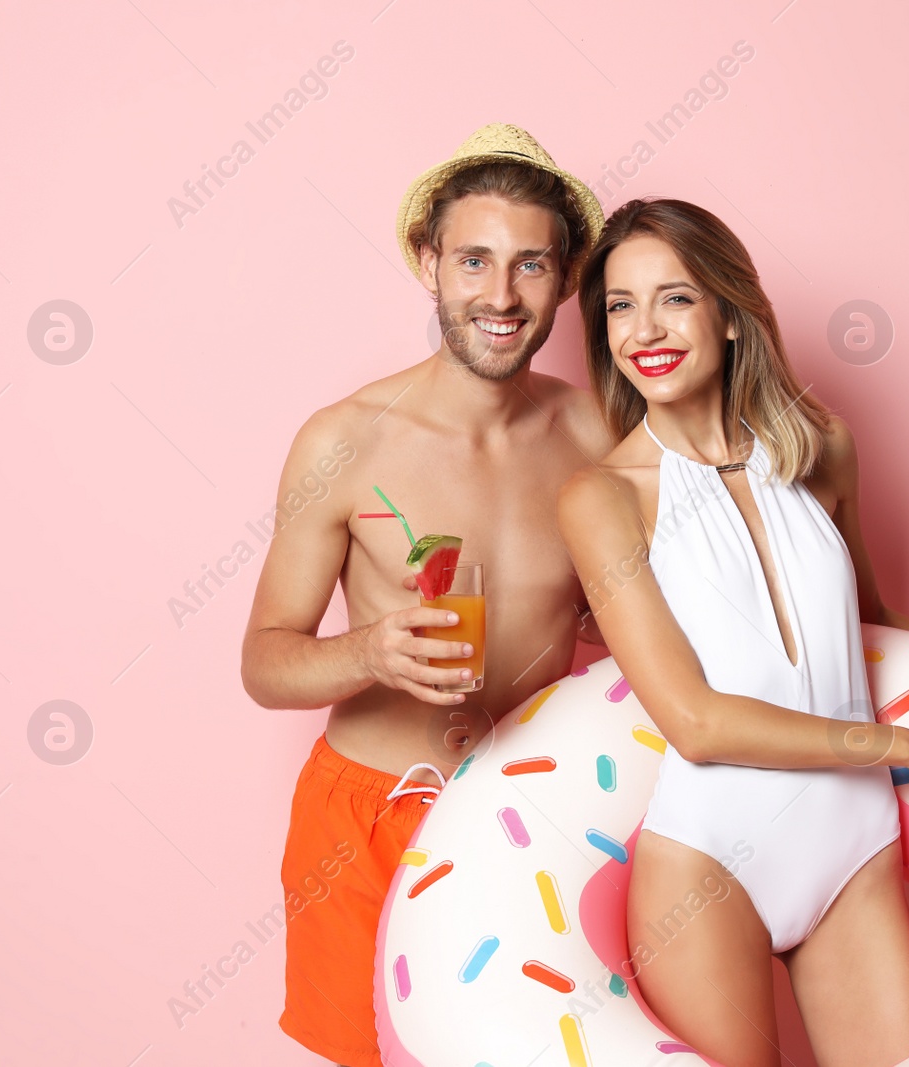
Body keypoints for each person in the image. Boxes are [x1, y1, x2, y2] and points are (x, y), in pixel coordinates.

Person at [556, 198, 909, 1066]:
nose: (645, 328)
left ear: (727, 308)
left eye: (675, 297)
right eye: (618, 305)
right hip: (707, 859)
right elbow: (697, 721)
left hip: (852, 851)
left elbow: (872, 621)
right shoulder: (602, 498)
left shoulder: (822, 446)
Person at [239, 123, 613, 1067]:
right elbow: (265, 660)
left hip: (536, 814)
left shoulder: (594, 433)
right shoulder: (345, 442)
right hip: (369, 818)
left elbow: (636, 609)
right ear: (428, 263)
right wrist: (369, 652)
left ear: (566, 281)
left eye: (531, 264)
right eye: (475, 259)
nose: (500, 294)